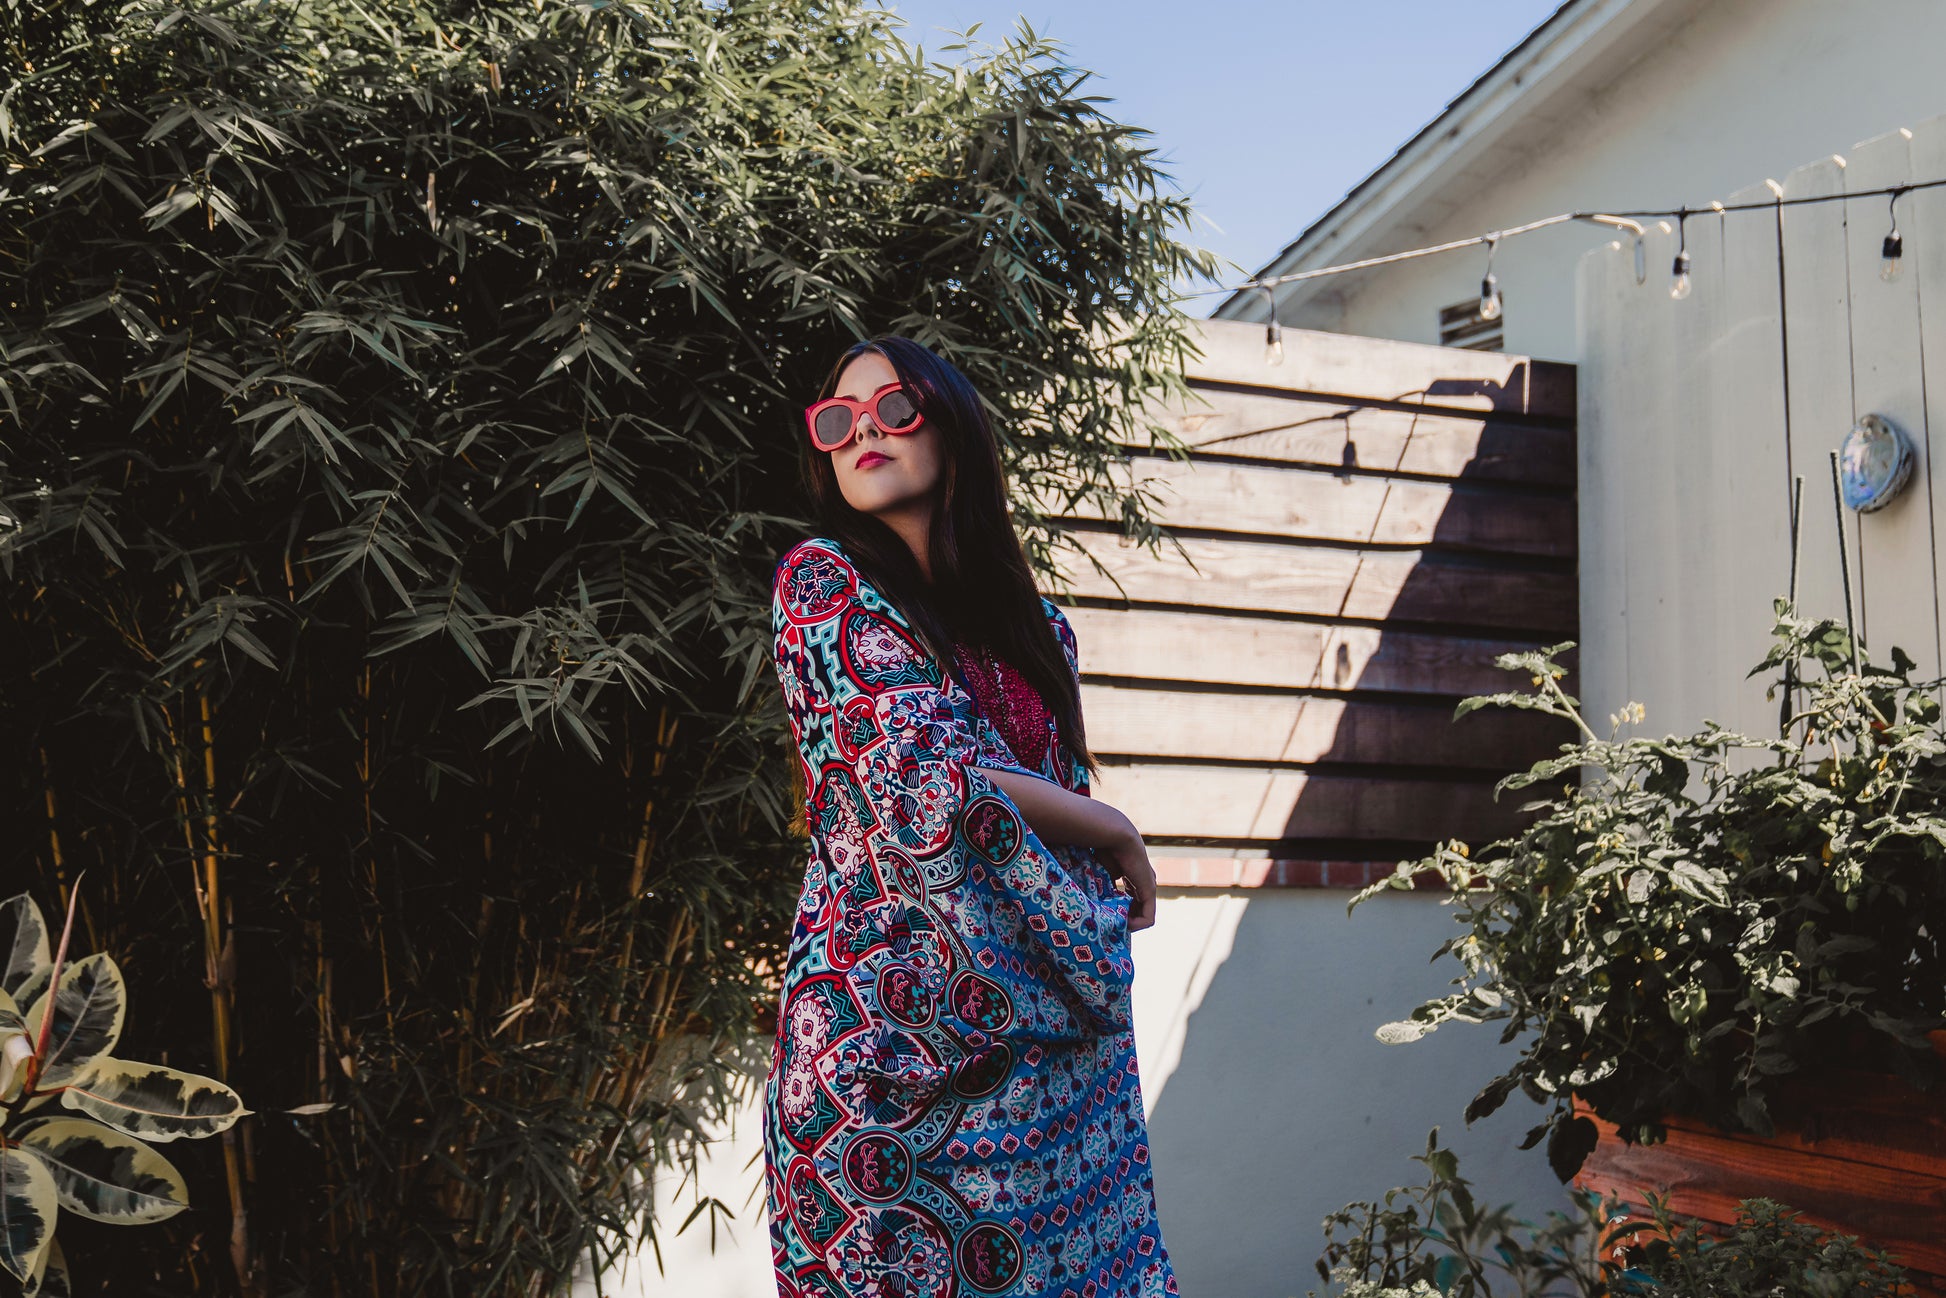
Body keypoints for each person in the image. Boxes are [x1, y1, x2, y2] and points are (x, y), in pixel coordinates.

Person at [763, 336, 1176, 1298]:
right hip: (893, 1063)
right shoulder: (821, 583)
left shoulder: (1041, 632)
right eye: (838, 421)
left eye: (894, 408)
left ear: (954, 423)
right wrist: (1109, 824)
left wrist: (1086, 833)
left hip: (1060, 1066)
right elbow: (925, 778)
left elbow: (1041, 819)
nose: (863, 430)